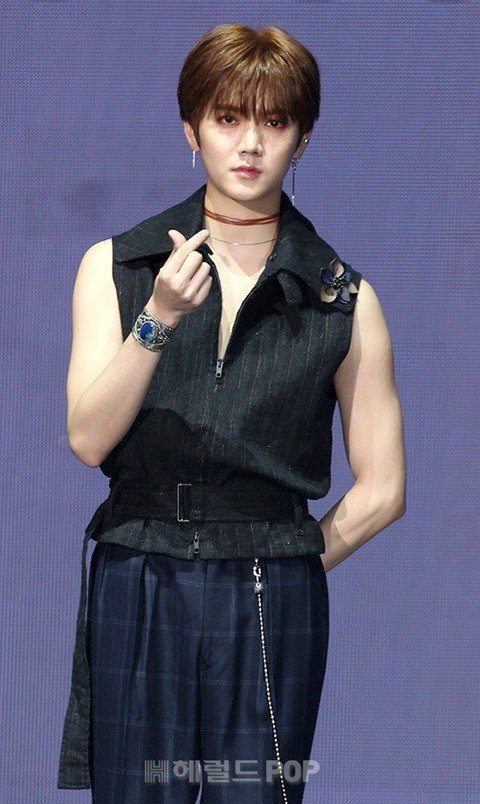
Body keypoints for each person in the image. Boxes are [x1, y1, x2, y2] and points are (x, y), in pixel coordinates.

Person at [57, 22, 406, 803]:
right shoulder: (118, 266)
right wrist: (157, 319)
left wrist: (284, 565)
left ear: (302, 138)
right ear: (192, 129)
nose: (250, 143)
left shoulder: (342, 299)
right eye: (227, 118)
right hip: (140, 569)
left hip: (268, 583)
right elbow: (87, 438)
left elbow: (384, 489)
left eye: (274, 122)